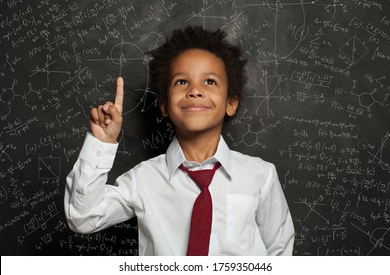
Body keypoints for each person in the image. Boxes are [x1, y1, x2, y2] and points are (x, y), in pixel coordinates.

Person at [64, 25, 294, 256]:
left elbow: (279, 251)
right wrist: (101, 144)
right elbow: (83, 218)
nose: (195, 90)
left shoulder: (261, 177)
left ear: (230, 103)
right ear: (164, 105)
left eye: (210, 81)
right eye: (182, 82)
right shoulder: (143, 179)